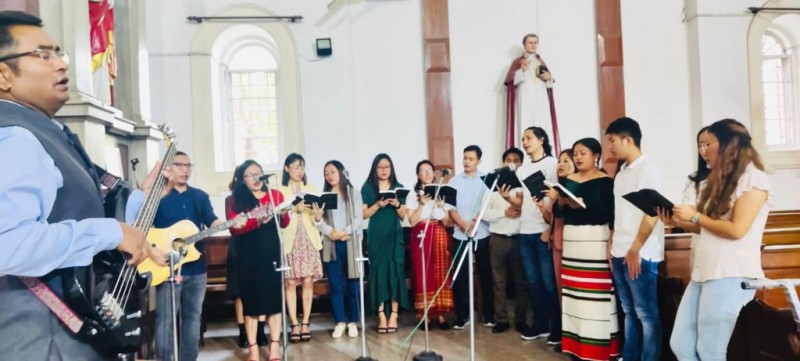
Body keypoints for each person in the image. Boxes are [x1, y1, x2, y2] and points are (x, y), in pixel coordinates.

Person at [0, 11, 168, 360]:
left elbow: (89, 203)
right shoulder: (15, 137)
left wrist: (143, 201)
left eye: (59, 52)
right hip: (38, 338)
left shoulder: (45, 131)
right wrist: (107, 233)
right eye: (43, 55)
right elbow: (7, 245)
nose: (62, 64)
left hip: (66, 330)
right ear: (4, 74)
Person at [659, 119, 772, 361]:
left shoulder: (754, 179)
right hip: (704, 272)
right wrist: (677, 222)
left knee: (710, 351)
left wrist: (696, 216)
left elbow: (737, 230)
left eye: (707, 144)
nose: (703, 151)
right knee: (681, 344)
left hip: (731, 273)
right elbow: (709, 229)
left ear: (727, 145)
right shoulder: (719, 181)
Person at [140, 151, 224, 361]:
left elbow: (211, 220)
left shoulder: (200, 196)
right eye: (180, 165)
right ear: (169, 168)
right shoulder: (158, 197)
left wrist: (221, 225)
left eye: (188, 166)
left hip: (197, 268)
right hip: (167, 268)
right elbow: (145, 229)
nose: (185, 170)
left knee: (192, 318)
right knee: (166, 319)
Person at [605, 117, 665, 361]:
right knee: (629, 311)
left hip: (641, 253)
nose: (609, 146)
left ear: (627, 140)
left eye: (612, 141)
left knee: (646, 314)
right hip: (621, 250)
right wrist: (613, 244)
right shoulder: (621, 174)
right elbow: (621, 215)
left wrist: (635, 248)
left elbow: (652, 214)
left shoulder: (648, 170)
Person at [559, 138, 619, 360]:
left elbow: (609, 215)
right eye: (575, 153)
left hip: (594, 240)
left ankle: (599, 347)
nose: (578, 157)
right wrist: (563, 203)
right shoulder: (568, 180)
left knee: (595, 296)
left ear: (596, 155)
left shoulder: (605, 182)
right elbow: (559, 214)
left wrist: (582, 205)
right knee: (574, 295)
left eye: (583, 153)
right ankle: (576, 346)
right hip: (572, 242)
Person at [501, 126, 561, 344]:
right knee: (533, 282)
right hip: (525, 230)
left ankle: (556, 327)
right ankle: (540, 324)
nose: (525, 142)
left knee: (548, 282)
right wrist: (508, 198)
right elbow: (523, 202)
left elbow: (557, 198)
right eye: (523, 139)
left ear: (541, 139)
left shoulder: (553, 164)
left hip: (543, 230)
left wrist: (550, 227)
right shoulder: (522, 169)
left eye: (529, 138)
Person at [229, 160, 290, 361]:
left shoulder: (275, 195)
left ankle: (274, 347)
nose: (256, 178)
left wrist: (283, 213)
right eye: (250, 175)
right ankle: (253, 348)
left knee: (273, 301)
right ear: (242, 179)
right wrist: (257, 221)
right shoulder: (235, 199)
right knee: (251, 302)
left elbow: (285, 223)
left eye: (259, 173)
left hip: (271, 251)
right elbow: (234, 227)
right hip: (247, 254)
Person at [313, 160, 364, 338]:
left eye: (333, 172)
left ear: (342, 173)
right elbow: (319, 222)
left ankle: (353, 322)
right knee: (335, 285)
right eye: (326, 173)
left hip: (351, 241)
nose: (329, 175)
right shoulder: (324, 196)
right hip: (332, 244)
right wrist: (331, 232)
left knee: (353, 284)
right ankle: (340, 322)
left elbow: (359, 218)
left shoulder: (353, 194)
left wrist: (345, 232)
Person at [483, 147, 530, 334]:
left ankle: (521, 319)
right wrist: (504, 212)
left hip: (519, 239)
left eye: (516, 160)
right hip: (498, 239)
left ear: (521, 163)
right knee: (498, 282)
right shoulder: (492, 186)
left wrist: (520, 208)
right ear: (503, 163)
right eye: (508, 159)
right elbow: (485, 213)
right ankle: (501, 319)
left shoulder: (524, 184)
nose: (511, 163)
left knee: (521, 283)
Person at [361, 153, 408, 333]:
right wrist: (377, 206)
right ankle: (381, 315)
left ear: (391, 168)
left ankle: (394, 315)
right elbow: (364, 214)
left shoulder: (399, 187)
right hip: (376, 234)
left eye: (386, 167)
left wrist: (397, 204)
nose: (383, 170)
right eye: (380, 167)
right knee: (378, 272)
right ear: (374, 169)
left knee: (395, 271)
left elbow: (404, 216)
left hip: (394, 234)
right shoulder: (368, 187)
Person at [447, 145, 493, 330]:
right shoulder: (454, 182)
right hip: (460, 233)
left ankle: (489, 315)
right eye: (465, 158)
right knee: (460, 277)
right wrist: (463, 224)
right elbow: (450, 208)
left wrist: (474, 221)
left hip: (482, 233)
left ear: (478, 161)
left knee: (486, 275)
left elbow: (489, 205)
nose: (466, 162)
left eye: (471, 158)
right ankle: (462, 315)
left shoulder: (487, 180)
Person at [278, 153, 323, 343]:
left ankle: (305, 322)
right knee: (289, 282)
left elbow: (316, 218)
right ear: (287, 168)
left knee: (307, 281)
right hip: (289, 238)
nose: (299, 171)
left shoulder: (310, 188)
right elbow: (276, 216)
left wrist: (319, 216)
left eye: (302, 167)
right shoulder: (279, 190)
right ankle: (294, 323)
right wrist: (290, 209)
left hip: (308, 238)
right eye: (296, 167)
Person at [406, 160, 453, 329]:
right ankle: (423, 314)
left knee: (440, 273)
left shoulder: (441, 192)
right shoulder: (413, 195)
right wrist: (421, 204)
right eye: (422, 171)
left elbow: (446, 222)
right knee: (423, 273)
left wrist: (441, 206)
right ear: (418, 174)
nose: (426, 173)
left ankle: (441, 314)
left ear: (434, 173)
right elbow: (412, 221)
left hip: (438, 232)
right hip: (421, 234)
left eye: (429, 170)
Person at [503, 33, 556, 148]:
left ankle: (544, 150)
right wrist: (521, 71)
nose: (533, 45)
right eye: (530, 43)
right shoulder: (518, 62)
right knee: (525, 121)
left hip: (540, 97)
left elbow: (549, 82)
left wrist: (549, 78)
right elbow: (511, 82)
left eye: (535, 43)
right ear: (524, 45)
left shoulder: (540, 61)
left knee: (543, 122)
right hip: (525, 96)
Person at [539, 148, 576, 300]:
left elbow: (573, 214)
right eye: (559, 161)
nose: (560, 164)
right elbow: (551, 219)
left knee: (571, 288)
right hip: (557, 244)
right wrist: (542, 206)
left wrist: (560, 197)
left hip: (571, 243)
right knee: (559, 287)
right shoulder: (558, 188)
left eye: (566, 161)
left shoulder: (574, 188)